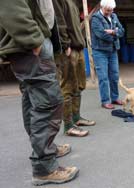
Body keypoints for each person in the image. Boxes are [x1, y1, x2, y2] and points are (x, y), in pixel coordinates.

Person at [0, 0, 79, 185]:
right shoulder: (30, 39)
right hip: (30, 43)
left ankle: (44, 149)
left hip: (33, 41)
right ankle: (45, 167)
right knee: (49, 102)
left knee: (33, 98)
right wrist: (32, 39)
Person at [53, 0, 96, 137]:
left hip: (78, 47)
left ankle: (77, 118)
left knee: (79, 85)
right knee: (67, 87)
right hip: (68, 49)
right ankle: (68, 125)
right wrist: (65, 45)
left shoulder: (72, 3)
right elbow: (59, 23)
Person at [91, 0, 125, 109]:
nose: (109, 12)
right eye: (107, 10)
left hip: (113, 50)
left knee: (114, 75)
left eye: (111, 10)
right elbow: (101, 34)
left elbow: (122, 31)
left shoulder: (114, 16)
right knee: (103, 77)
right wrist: (116, 33)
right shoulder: (96, 18)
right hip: (100, 51)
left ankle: (114, 98)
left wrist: (113, 32)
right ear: (102, 7)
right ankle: (105, 101)